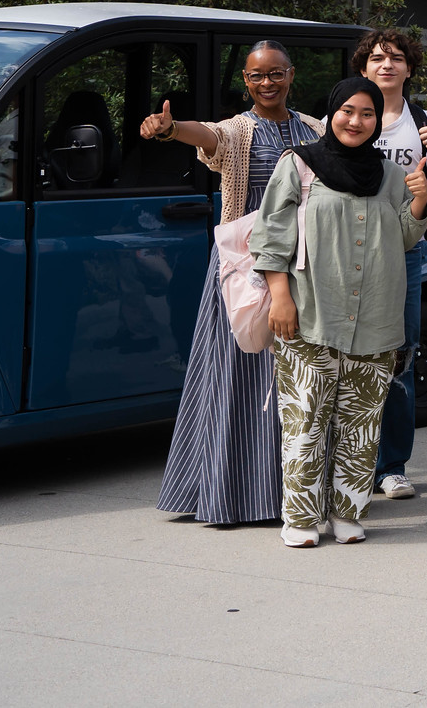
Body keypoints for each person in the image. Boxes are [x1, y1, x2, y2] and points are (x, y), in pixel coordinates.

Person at [148, 41, 321, 526]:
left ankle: (289, 493)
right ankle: (232, 494)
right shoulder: (239, 130)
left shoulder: (313, 129)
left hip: (301, 269)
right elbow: (209, 137)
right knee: (236, 377)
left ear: (291, 74)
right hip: (243, 273)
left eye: (276, 74)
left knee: (294, 382)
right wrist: (172, 129)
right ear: (245, 81)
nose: (267, 83)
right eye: (256, 76)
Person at [254, 78, 427, 546]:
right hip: (310, 311)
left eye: (368, 114)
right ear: (332, 112)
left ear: (377, 121)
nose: (356, 121)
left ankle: (348, 512)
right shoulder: (300, 165)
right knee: (306, 420)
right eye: (348, 110)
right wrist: (281, 297)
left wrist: (421, 200)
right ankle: (301, 518)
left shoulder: (389, 174)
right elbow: (271, 237)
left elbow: (407, 238)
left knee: (361, 423)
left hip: (375, 315)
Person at [354, 28, 427, 503]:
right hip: (349, 249)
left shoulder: (425, 121)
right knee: (346, 352)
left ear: (409, 68)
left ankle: (391, 466)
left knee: (401, 352)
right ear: (363, 68)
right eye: (377, 58)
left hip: (406, 250)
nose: (386, 65)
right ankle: (350, 459)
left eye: (396, 58)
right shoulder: (348, 115)